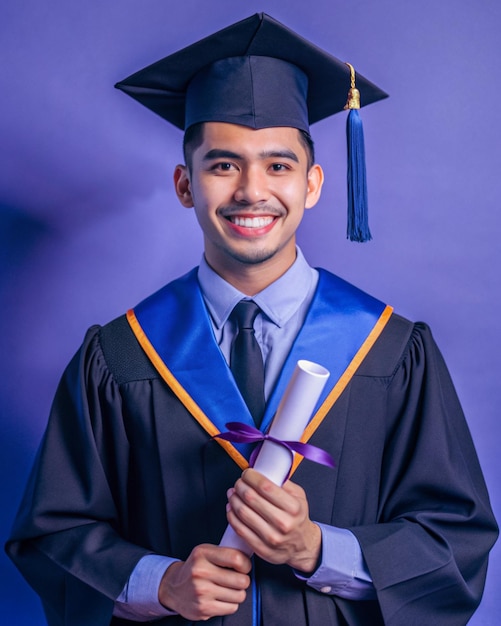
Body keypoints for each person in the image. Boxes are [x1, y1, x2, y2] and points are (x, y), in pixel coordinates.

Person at [6, 13, 498, 626]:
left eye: (278, 165)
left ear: (313, 184)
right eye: (222, 165)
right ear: (185, 185)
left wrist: (319, 550)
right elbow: (52, 539)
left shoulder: (391, 352)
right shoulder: (119, 356)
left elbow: (457, 542)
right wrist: (163, 584)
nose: (250, 191)